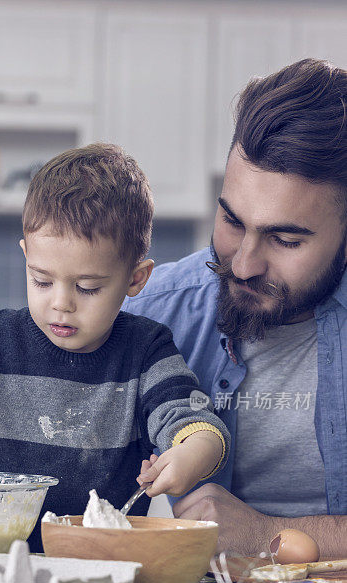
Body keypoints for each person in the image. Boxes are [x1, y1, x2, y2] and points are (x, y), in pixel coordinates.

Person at [0, 144, 229, 552]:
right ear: (26, 256)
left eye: (88, 287)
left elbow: (198, 427)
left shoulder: (146, 352)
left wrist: (191, 455)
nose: (61, 303)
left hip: (95, 560)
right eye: (42, 280)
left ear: (136, 279)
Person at [125, 58, 347, 557]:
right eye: (231, 220)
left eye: (285, 239)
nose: (243, 264)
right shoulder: (153, 309)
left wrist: (264, 535)